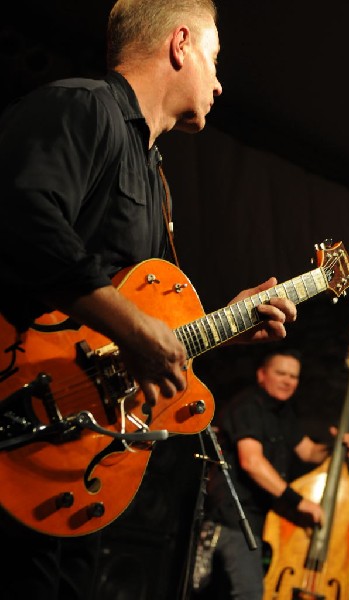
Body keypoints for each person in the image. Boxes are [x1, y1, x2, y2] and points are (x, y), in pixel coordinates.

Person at [0, 1, 297, 599]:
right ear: (179, 43)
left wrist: (222, 327)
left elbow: (137, 319)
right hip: (18, 414)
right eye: (213, 61)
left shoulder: (154, 175)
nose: (218, 81)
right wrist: (136, 332)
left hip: (74, 458)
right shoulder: (83, 107)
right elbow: (23, 218)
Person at [194, 349, 349, 600]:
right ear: (262, 374)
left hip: (258, 522)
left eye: (294, 376)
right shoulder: (248, 405)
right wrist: (299, 502)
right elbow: (252, 462)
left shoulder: (283, 413)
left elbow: (309, 452)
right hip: (232, 519)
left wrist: (335, 446)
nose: (288, 381)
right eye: (281, 373)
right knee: (248, 595)